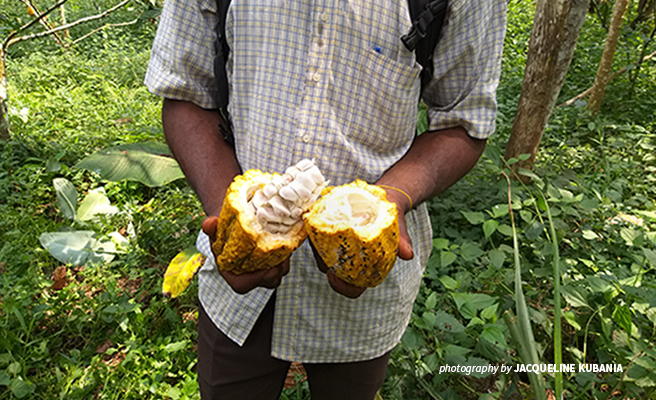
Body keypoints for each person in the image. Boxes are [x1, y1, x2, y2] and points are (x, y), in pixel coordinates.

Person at [145, 0, 507, 398]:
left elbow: (462, 121)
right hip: (235, 298)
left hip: (365, 292)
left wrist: (394, 198)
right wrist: (228, 213)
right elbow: (186, 93)